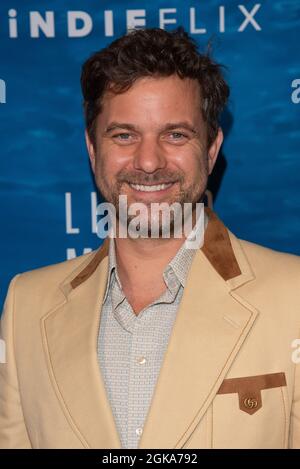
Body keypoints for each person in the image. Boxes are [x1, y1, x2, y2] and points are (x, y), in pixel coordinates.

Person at [0, 27, 299, 450]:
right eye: (124, 135)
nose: (148, 161)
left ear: (212, 149)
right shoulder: (26, 306)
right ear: (92, 148)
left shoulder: (293, 297)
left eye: (175, 134)